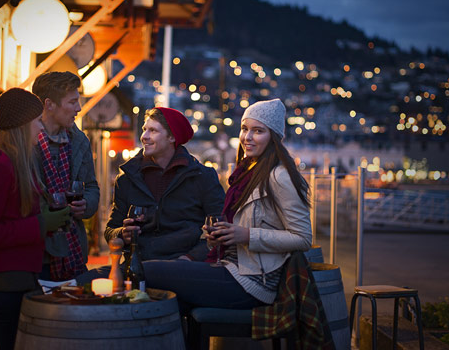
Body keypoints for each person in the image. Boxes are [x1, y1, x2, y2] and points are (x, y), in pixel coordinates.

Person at [143, 99, 312, 312]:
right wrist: (218, 237)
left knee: (148, 272)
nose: (247, 137)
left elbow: (303, 238)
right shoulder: (247, 174)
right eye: (244, 129)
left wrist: (247, 235)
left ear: (274, 138)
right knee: (170, 301)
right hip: (230, 267)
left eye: (258, 131)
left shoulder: (280, 176)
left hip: (252, 282)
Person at [0, 88, 71, 350]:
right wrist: (41, 224)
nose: (40, 126)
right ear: (22, 123)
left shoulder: (12, 159)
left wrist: (49, 218)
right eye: (37, 120)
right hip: (4, 280)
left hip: (15, 276)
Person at [107, 107, 225, 261]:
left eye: (153, 131)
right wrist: (122, 234)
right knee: (89, 279)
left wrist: (190, 258)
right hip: (139, 265)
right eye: (144, 129)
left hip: (186, 266)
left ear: (172, 137)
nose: (144, 136)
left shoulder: (203, 177)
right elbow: (110, 230)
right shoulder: (126, 179)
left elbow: (220, 229)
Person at [31, 71, 100, 281]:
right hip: (35, 250)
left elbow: (91, 187)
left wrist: (86, 203)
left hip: (72, 246)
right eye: (72, 102)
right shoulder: (24, 141)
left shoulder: (79, 141)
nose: (79, 108)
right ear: (49, 104)